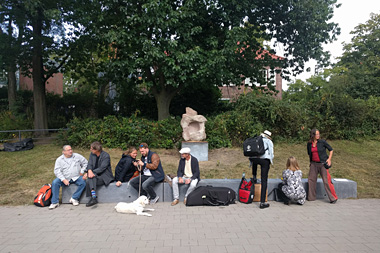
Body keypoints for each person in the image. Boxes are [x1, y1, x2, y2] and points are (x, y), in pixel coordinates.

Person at [49, 145, 88, 209]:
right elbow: (57, 171)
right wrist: (63, 179)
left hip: (76, 177)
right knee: (55, 182)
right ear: (63, 152)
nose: (70, 151)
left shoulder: (77, 156)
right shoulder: (59, 160)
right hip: (65, 177)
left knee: (83, 182)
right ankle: (55, 202)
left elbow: (86, 163)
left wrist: (82, 171)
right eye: (68, 150)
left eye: (71, 149)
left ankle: (74, 198)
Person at [307, 129, 338, 203]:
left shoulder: (322, 142)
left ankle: (333, 198)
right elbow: (309, 153)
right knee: (311, 180)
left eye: (318, 134)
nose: (318, 135)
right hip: (313, 164)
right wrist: (311, 163)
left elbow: (331, 150)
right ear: (313, 135)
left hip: (323, 164)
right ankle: (311, 197)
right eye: (316, 134)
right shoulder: (309, 144)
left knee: (326, 181)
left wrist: (329, 159)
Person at [250, 130, 274, 209]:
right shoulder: (269, 141)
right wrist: (271, 162)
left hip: (255, 159)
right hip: (264, 160)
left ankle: (254, 177)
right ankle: (262, 202)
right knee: (264, 180)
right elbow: (271, 153)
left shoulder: (256, 140)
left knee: (255, 163)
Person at [85, 141, 113, 207]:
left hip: (105, 176)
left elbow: (102, 168)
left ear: (96, 150)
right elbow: (90, 164)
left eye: (91, 148)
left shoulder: (106, 156)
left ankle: (93, 197)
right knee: (90, 178)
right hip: (95, 175)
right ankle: (94, 197)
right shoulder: (92, 154)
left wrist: (92, 172)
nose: (90, 150)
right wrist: (89, 170)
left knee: (90, 179)